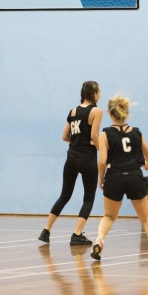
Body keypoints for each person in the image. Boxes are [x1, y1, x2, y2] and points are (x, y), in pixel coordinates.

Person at [91, 95, 148, 262]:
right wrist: (146, 164)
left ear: (110, 113)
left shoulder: (105, 134)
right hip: (134, 176)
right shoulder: (136, 132)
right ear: (125, 112)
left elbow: (102, 161)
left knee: (109, 216)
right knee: (146, 217)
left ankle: (100, 240)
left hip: (114, 176)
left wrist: (100, 178)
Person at [39, 81, 103, 245]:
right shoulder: (96, 111)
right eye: (99, 92)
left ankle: (46, 230)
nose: (100, 95)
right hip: (87, 158)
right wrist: (103, 150)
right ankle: (77, 234)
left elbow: (65, 137)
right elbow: (95, 136)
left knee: (64, 195)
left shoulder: (73, 111)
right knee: (88, 199)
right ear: (94, 93)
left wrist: (76, 143)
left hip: (71, 158)